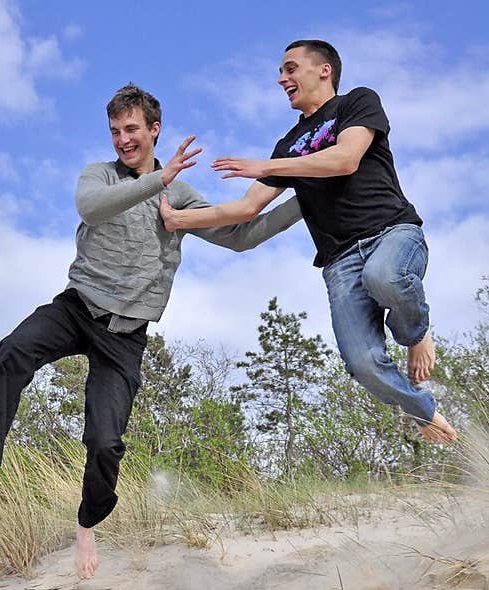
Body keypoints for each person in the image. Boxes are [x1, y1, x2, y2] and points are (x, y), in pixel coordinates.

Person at [0, 82, 302, 577]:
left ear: (154, 129)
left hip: (125, 335)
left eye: (132, 129)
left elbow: (242, 236)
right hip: (76, 308)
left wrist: (307, 201)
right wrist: (156, 179)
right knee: (14, 348)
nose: (123, 139)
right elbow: (91, 208)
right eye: (115, 131)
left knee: (105, 441)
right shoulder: (98, 176)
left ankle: (87, 522)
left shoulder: (180, 195)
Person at [159, 40, 457, 445]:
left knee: (385, 276)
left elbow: (345, 159)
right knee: (363, 365)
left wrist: (267, 166)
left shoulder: (357, 102)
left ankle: (414, 330)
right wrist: (181, 219)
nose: (281, 78)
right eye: (281, 71)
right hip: (339, 262)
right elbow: (247, 208)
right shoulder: (288, 145)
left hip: (392, 233)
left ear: (324, 70)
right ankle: (422, 410)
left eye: (290, 68)